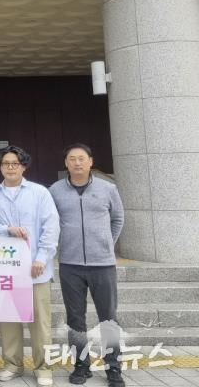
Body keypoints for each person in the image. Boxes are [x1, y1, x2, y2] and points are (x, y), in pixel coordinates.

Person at [0, 146, 59, 387]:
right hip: (7, 269)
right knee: (8, 320)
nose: (10, 167)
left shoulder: (39, 193)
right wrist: (7, 230)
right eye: (6, 163)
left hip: (36, 269)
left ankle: (43, 367)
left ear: (24, 166)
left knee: (40, 323)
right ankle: (12, 364)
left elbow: (51, 227)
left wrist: (42, 259)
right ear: (0, 167)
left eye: (15, 163)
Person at [49, 144, 125, 387]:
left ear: (91, 161)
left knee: (108, 318)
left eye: (81, 158)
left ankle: (113, 367)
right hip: (70, 264)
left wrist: (106, 244)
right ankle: (81, 365)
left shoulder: (107, 188)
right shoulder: (55, 190)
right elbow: (50, 222)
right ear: (66, 163)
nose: (77, 163)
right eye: (72, 159)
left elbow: (118, 218)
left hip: (103, 265)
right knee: (75, 318)